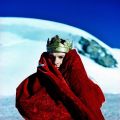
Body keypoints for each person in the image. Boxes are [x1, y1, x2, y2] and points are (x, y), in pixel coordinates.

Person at [16, 35, 105, 120]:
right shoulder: (37, 80)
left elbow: (92, 103)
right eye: (52, 57)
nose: (56, 61)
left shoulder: (81, 78)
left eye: (60, 57)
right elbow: (25, 103)